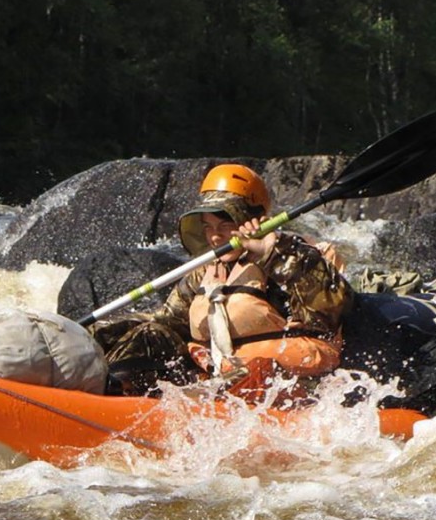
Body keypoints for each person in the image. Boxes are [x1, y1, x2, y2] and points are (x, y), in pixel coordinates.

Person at [97, 164, 353, 394]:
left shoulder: (297, 257)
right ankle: (112, 393)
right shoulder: (206, 270)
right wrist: (100, 333)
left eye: (224, 225)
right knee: (149, 334)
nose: (215, 237)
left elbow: (329, 312)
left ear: (251, 219)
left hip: (283, 384)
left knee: (257, 369)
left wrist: (269, 254)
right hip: (216, 375)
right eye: (208, 226)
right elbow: (168, 319)